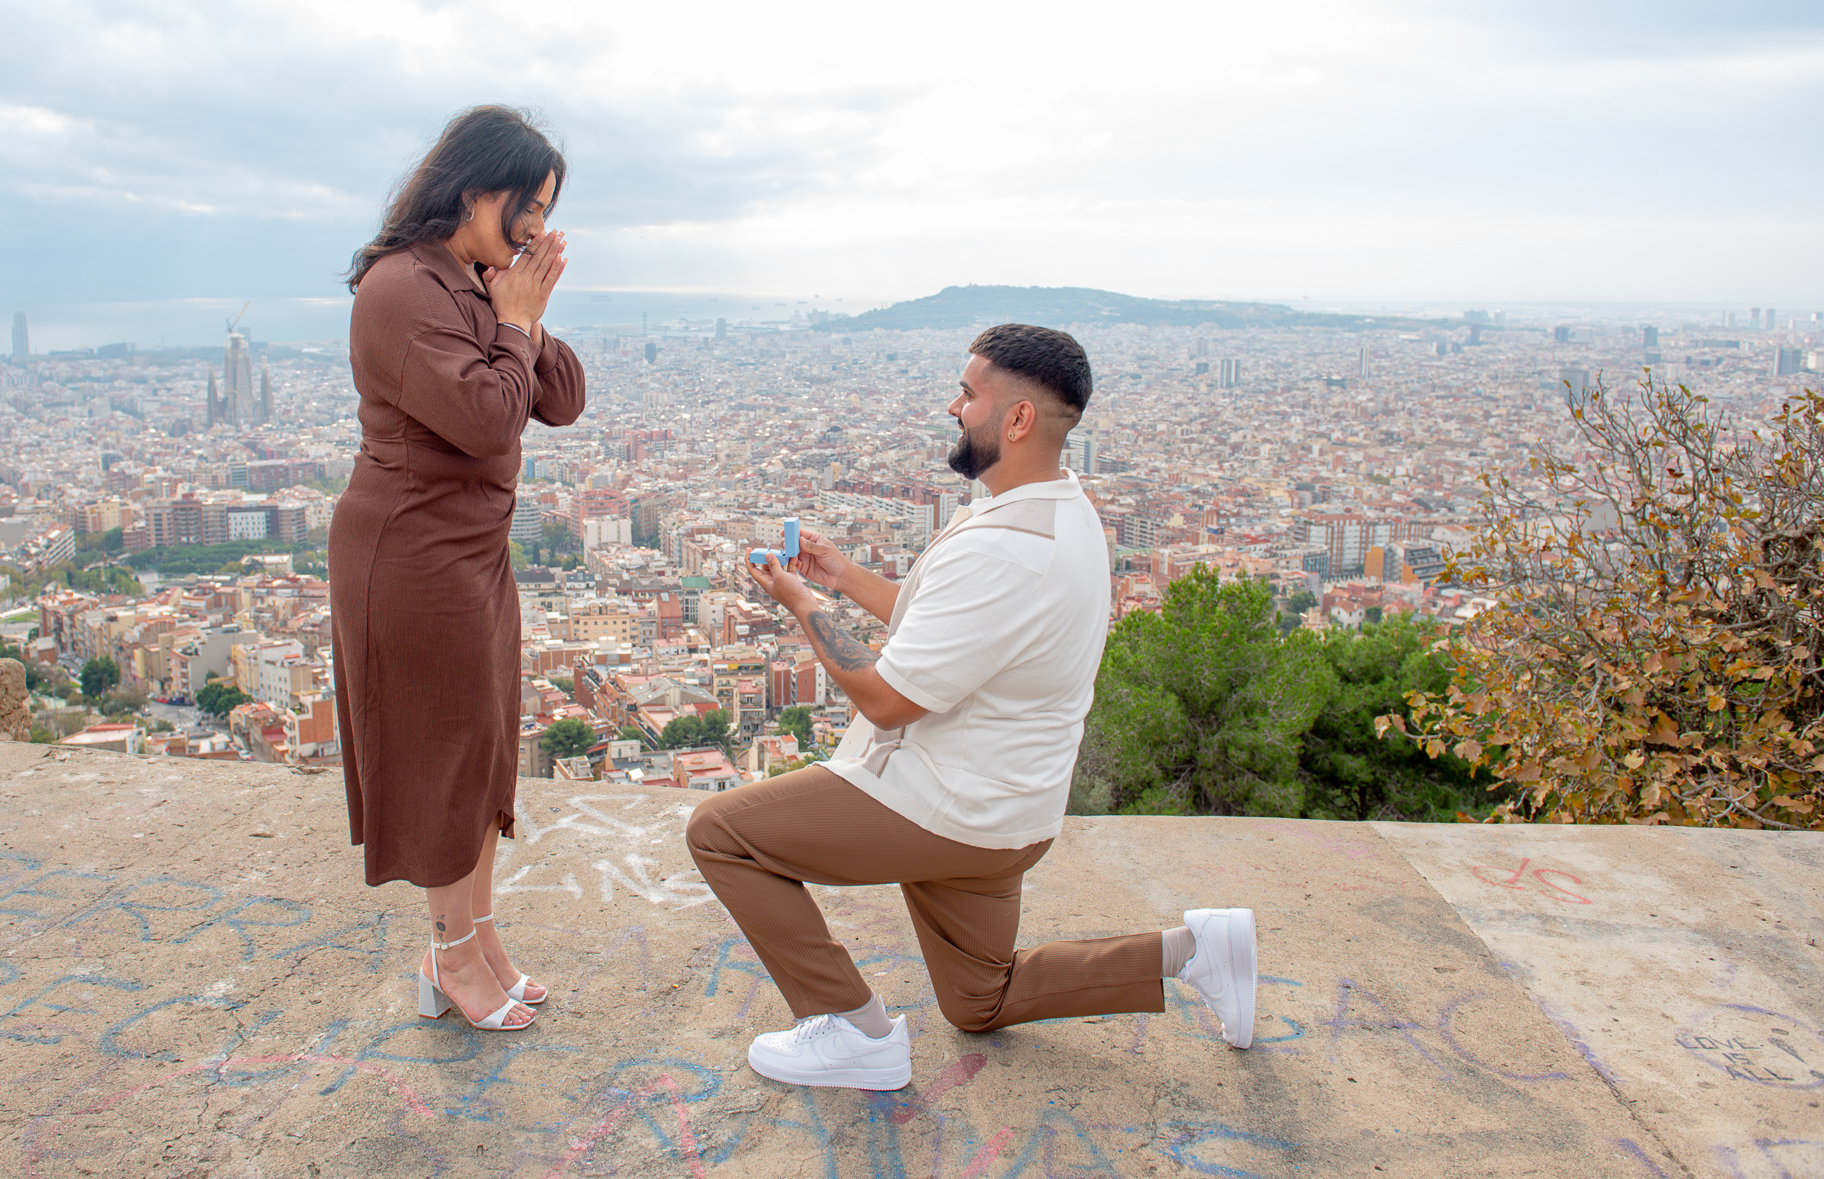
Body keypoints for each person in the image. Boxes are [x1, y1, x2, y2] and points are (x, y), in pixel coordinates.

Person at [687, 324, 1256, 1090]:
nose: (953, 407)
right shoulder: (1057, 510)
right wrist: (842, 575)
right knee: (978, 998)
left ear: (1017, 418)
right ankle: (1195, 950)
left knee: (721, 832)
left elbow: (887, 700)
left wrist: (802, 604)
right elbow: (950, 627)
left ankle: (855, 1031)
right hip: (1009, 810)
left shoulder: (1005, 547)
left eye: (968, 393)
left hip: (945, 806)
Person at [330, 106, 586, 1032]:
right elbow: (485, 419)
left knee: (482, 752)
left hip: (473, 549)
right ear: (477, 189)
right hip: (413, 553)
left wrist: (522, 315)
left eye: (547, 209)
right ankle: (448, 954)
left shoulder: (471, 282)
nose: (536, 226)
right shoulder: (401, 288)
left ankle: (479, 936)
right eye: (530, 204)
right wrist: (512, 320)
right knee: (443, 754)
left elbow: (561, 398)